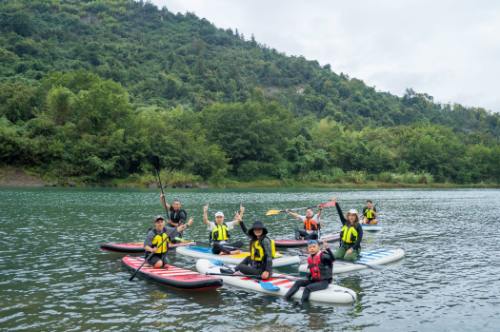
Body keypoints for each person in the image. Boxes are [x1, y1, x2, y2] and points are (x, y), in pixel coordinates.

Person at [282, 240, 334, 305]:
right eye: (310, 247)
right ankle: (285, 298)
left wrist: (328, 249)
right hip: (315, 281)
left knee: (308, 288)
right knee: (298, 282)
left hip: (324, 282)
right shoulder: (310, 257)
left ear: (318, 248)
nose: (312, 248)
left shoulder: (323, 256)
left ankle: (301, 303)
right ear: (308, 249)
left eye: (314, 247)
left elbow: (333, 259)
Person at [332, 196, 363, 262]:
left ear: (356, 217)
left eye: (353, 215)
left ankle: (357, 256)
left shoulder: (358, 226)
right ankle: (345, 253)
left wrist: (351, 249)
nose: (351, 217)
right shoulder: (345, 223)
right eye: (350, 215)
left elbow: (359, 240)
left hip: (354, 247)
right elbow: (340, 214)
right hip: (344, 246)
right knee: (336, 256)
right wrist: (336, 203)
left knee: (347, 258)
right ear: (348, 216)